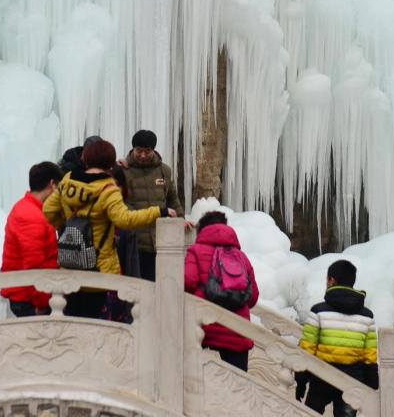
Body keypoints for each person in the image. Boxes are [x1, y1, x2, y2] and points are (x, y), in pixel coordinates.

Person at [44, 138, 174, 319]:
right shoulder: (108, 188)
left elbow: (49, 210)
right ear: (109, 162)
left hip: (70, 267)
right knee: (100, 328)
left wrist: (66, 228)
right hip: (99, 269)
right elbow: (125, 220)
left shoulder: (67, 181)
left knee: (74, 322)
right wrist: (159, 211)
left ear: (86, 159)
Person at [295, 259, 378, 416]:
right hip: (352, 381)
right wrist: (372, 384)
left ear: (331, 280)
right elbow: (370, 356)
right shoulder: (367, 316)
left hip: (321, 378)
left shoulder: (318, 311)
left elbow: (307, 350)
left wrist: (300, 380)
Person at [183, 211, 259, 371]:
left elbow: (188, 282)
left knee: (200, 387)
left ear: (202, 230)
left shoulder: (196, 251)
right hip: (238, 333)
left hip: (205, 331)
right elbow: (253, 297)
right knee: (237, 388)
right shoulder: (241, 256)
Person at [1, 161, 63, 317]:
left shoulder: (29, 208)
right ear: (52, 185)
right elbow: (34, 265)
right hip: (29, 298)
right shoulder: (31, 216)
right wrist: (41, 303)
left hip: (28, 293)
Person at [122, 129, 182, 281]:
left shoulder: (164, 171)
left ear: (153, 150)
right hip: (133, 242)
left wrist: (181, 221)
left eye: (147, 151)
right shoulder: (123, 171)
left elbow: (172, 199)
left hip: (159, 242)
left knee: (157, 285)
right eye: (139, 151)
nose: (142, 155)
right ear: (133, 149)